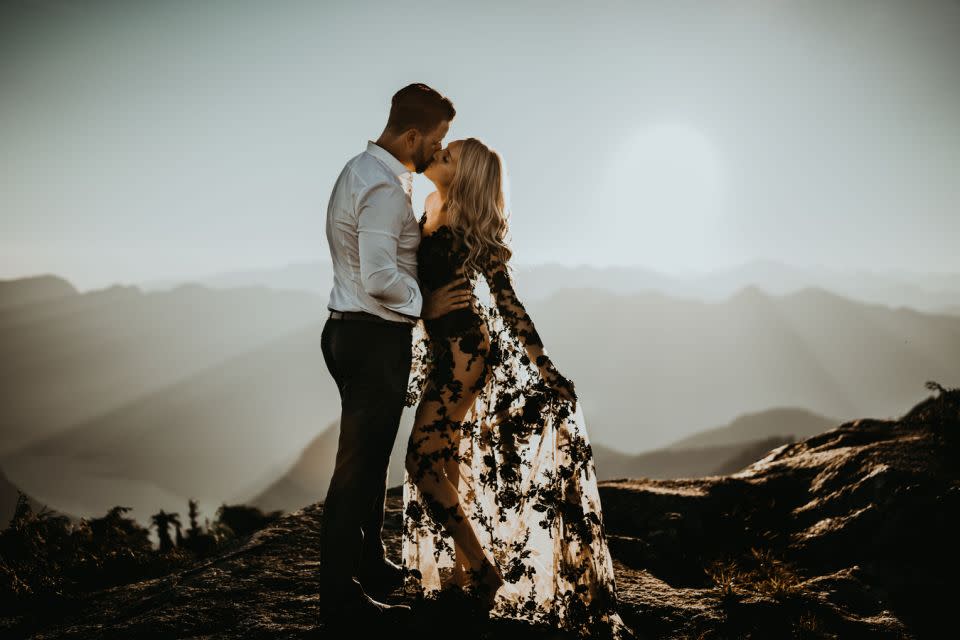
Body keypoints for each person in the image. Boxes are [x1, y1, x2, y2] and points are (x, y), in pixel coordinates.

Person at [402, 138, 633, 638]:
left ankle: (483, 572)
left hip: (465, 352)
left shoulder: (466, 223)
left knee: (421, 461)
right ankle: (468, 571)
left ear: (464, 175)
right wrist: (424, 307)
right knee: (443, 460)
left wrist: (545, 367)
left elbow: (507, 301)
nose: (441, 151)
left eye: (451, 153)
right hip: (445, 349)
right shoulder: (427, 204)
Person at [317, 83, 471, 625]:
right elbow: (381, 278)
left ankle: (369, 560)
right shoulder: (383, 188)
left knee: (372, 455)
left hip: (352, 330)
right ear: (412, 135)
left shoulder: (362, 169)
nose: (438, 149)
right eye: (438, 138)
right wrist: (426, 304)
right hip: (372, 336)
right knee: (356, 468)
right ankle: (338, 599)